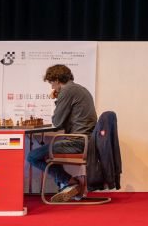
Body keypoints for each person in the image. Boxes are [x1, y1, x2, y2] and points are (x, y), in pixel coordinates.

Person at [27, 64, 98, 203]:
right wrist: (59, 98)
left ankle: (71, 182)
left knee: (32, 156)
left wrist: (58, 99)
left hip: (78, 142)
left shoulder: (67, 91)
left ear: (57, 80)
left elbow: (57, 122)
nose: (52, 87)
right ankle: (68, 183)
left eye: (51, 83)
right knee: (49, 152)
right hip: (86, 140)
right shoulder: (80, 89)